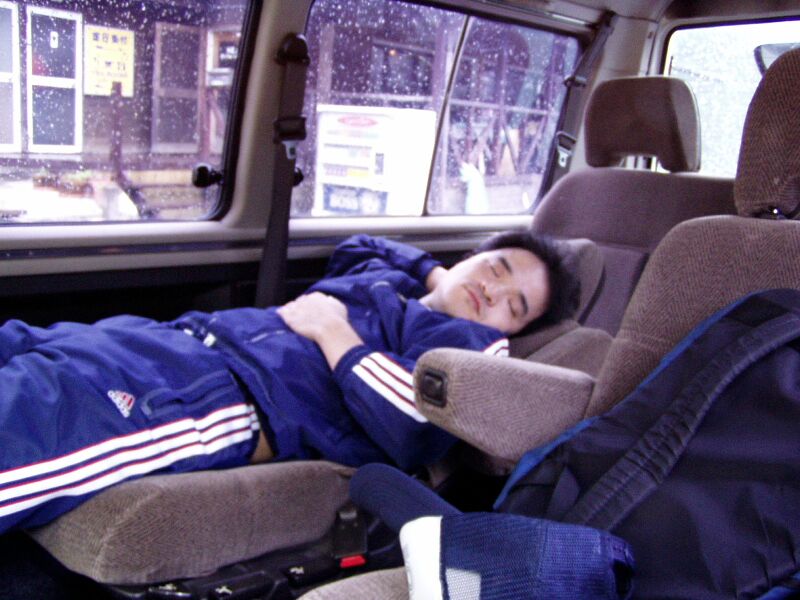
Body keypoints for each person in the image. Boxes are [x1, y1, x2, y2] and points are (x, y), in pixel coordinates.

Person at [0, 232, 578, 533]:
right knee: (20, 344)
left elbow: (417, 417)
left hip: (217, 398)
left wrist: (335, 334)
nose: (492, 292)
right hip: (172, 338)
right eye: (495, 268)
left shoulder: (465, 347)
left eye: (514, 306)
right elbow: (359, 246)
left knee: (29, 422)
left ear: (512, 332)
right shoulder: (388, 281)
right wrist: (432, 271)